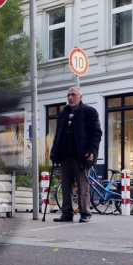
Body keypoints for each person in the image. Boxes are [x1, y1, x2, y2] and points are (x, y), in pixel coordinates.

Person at [50, 86, 102, 223]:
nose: (70, 97)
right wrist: (54, 152)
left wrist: (92, 151)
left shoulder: (89, 111)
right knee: (66, 186)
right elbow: (58, 135)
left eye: (73, 94)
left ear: (80, 96)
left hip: (81, 156)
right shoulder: (63, 113)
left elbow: (96, 133)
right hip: (65, 156)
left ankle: (85, 213)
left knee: (82, 186)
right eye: (68, 95)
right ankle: (67, 213)